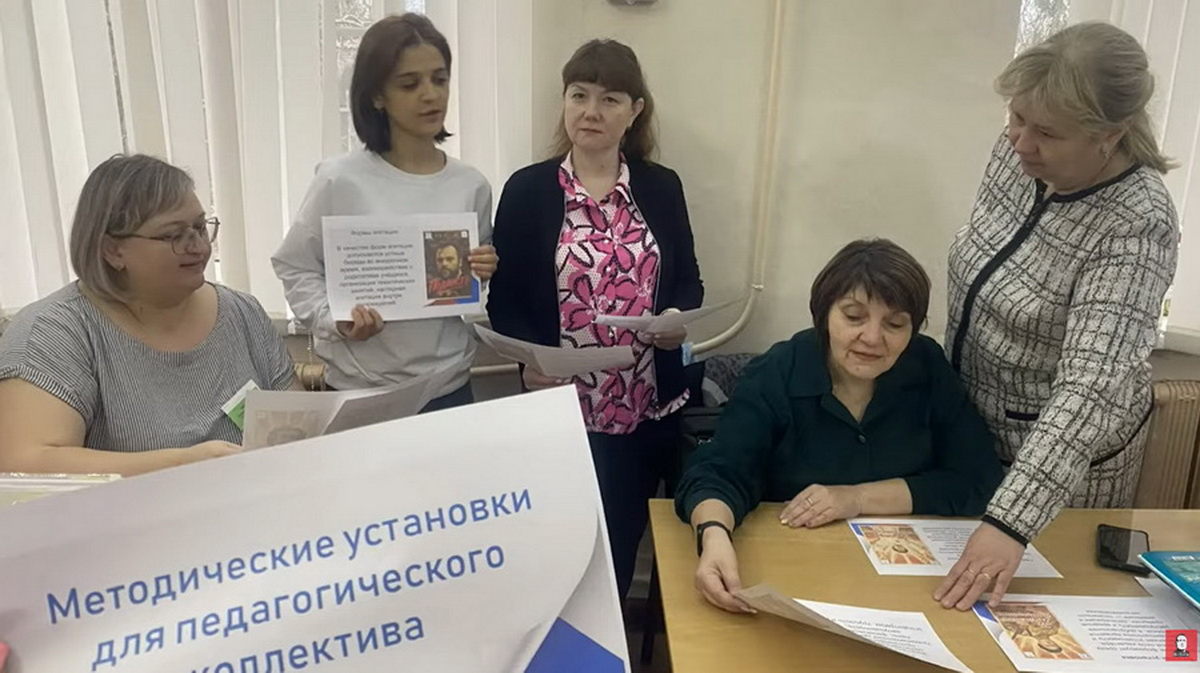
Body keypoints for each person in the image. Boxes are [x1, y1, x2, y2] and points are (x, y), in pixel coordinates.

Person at [938, 22, 1179, 611]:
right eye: (1016, 117)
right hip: (970, 434)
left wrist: (1012, 521)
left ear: (1110, 135)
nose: (1020, 141)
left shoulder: (1138, 223)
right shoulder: (1019, 153)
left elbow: (1090, 389)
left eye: (1046, 132)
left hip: (1058, 474)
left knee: (1025, 619)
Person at [674, 239, 1003, 614]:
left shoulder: (927, 365)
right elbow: (718, 473)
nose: (872, 338)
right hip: (794, 571)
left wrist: (856, 498)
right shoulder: (778, 372)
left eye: (895, 324)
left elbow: (978, 478)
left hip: (908, 585)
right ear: (824, 314)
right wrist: (714, 538)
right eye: (854, 317)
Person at [487, 39, 704, 603]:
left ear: (635, 111)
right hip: (558, 408)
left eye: (609, 99)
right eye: (579, 95)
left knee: (619, 550)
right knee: (551, 550)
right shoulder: (527, 191)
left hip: (644, 409)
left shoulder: (661, 187)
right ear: (564, 102)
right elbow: (504, 301)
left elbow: (688, 282)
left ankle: (609, 644)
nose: (591, 111)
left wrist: (675, 319)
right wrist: (528, 360)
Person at [0, 155, 296, 476]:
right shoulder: (53, 332)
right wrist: (182, 466)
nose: (199, 247)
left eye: (200, 228)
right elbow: (26, 463)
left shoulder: (242, 312)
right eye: (174, 235)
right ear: (113, 250)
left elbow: (299, 429)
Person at [272, 13, 497, 412]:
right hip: (362, 390)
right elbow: (295, 266)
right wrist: (335, 319)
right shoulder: (339, 180)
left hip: (449, 386)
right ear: (378, 96)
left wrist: (483, 267)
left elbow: (465, 288)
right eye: (410, 84)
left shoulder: (471, 184)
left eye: (440, 79)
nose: (430, 95)